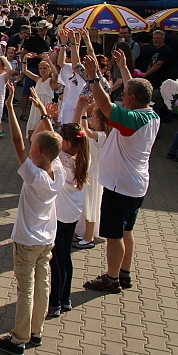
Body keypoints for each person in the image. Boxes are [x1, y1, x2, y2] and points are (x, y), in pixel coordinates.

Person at [0, 83, 64, 355]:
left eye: (34, 141)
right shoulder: (57, 170)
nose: (31, 140)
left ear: (36, 153)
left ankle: (19, 338)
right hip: (47, 239)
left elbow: (16, 141)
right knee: (42, 284)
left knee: (26, 290)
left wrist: (10, 106)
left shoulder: (34, 175)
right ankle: (36, 330)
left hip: (27, 241)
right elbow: (53, 140)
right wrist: (44, 112)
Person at [82, 51, 159, 293]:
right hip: (136, 185)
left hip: (119, 186)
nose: (122, 97)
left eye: (125, 95)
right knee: (127, 231)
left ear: (133, 98)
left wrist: (93, 77)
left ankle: (112, 278)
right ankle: (124, 273)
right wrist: (125, 68)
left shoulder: (131, 120)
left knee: (114, 236)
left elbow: (104, 106)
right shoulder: (151, 114)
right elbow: (131, 90)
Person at [46, 105, 90, 318]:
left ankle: (55, 302)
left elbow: (50, 143)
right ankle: (66, 298)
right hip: (71, 214)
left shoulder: (61, 161)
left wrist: (47, 117)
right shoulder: (82, 157)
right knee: (66, 258)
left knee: (57, 261)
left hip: (60, 216)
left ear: (66, 142)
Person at [73, 99, 111, 249]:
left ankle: (89, 237)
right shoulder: (100, 133)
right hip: (91, 171)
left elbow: (85, 132)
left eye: (91, 117)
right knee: (86, 203)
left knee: (91, 204)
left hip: (95, 174)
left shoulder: (102, 135)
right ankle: (83, 232)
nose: (89, 120)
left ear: (97, 119)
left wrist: (83, 111)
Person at [20, 22, 51, 120]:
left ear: (47, 29)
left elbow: (48, 50)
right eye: (39, 29)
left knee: (41, 90)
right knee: (27, 90)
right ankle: (24, 112)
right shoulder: (32, 39)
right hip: (32, 66)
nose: (41, 31)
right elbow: (24, 52)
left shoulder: (48, 39)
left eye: (43, 29)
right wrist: (37, 56)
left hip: (44, 68)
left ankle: (39, 112)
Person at [23, 55, 58, 139]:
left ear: (49, 70)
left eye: (45, 68)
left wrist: (49, 61)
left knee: (43, 133)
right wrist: (25, 59)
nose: (42, 70)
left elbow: (56, 74)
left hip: (45, 107)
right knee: (31, 132)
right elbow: (25, 71)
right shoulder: (37, 79)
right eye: (41, 68)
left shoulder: (50, 81)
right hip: (35, 109)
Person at [144, 30, 176, 122]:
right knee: (153, 104)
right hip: (153, 81)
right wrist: (145, 74)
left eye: (157, 38)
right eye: (154, 38)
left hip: (162, 81)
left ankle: (158, 125)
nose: (155, 40)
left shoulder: (167, 50)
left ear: (163, 38)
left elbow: (158, 64)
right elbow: (151, 63)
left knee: (158, 105)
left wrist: (146, 73)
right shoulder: (154, 50)